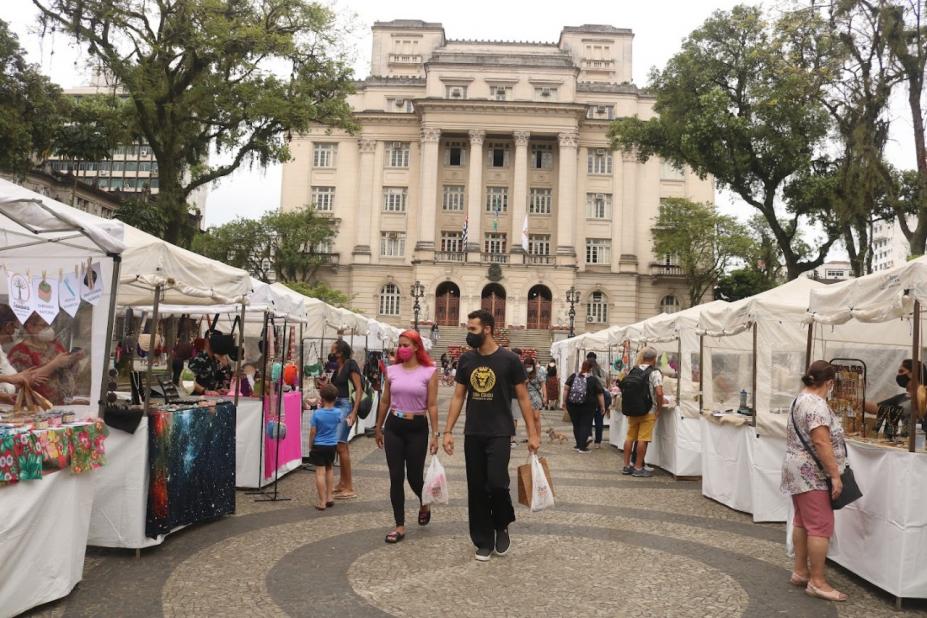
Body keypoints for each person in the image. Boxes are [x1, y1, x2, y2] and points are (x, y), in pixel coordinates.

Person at [443, 310, 540, 562]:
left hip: (499, 431)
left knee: (497, 483)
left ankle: (502, 524)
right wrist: (448, 431)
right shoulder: (466, 360)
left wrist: (532, 433)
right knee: (476, 487)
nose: (469, 333)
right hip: (474, 431)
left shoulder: (509, 360)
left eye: (473, 329)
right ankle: (482, 539)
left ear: (487, 329)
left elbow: (523, 398)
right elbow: (457, 397)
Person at [780, 360, 848, 602]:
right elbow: (821, 442)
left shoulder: (800, 398)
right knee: (820, 526)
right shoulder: (817, 405)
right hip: (813, 472)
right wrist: (835, 475)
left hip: (796, 468)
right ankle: (817, 581)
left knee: (802, 521)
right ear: (829, 383)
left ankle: (801, 570)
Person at [374, 330, 439, 543]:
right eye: (399, 345)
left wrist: (436, 434)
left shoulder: (429, 372)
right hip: (394, 425)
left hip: (417, 427)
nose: (401, 349)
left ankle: (424, 501)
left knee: (414, 477)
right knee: (395, 477)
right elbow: (385, 400)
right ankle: (399, 525)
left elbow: (432, 405)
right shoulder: (392, 370)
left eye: (405, 345)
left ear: (416, 347)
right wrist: (378, 426)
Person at [8, 314, 83, 404]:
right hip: (37, 406)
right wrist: (54, 364)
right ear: (30, 327)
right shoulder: (19, 352)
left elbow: (67, 368)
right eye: (44, 325)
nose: (49, 329)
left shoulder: (56, 345)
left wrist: (74, 358)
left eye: (50, 325)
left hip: (63, 404)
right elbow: (21, 381)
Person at [620, 347, 664, 477]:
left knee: (629, 437)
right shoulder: (655, 373)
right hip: (648, 410)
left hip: (632, 409)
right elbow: (659, 392)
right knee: (642, 439)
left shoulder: (634, 370)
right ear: (654, 359)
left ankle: (626, 466)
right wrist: (659, 408)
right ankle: (638, 467)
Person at [329, 339, 362, 499]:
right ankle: (343, 483)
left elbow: (359, 388)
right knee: (342, 446)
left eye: (333, 349)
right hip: (337, 406)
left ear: (340, 352)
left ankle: (349, 487)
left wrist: (354, 411)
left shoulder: (351, 364)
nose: (331, 352)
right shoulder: (338, 367)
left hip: (346, 406)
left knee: (341, 445)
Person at [308, 384, 341, 510]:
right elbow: (338, 422)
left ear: (321, 398)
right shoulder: (338, 412)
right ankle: (329, 497)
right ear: (335, 398)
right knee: (329, 469)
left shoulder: (317, 413)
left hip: (319, 445)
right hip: (332, 445)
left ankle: (322, 502)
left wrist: (311, 444)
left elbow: (312, 431)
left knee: (319, 473)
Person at [564, 360, 606, 453]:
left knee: (576, 425)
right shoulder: (593, 379)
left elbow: (566, 389)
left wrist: (564, 402)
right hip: (588, 405)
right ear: (591, 368)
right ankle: (582, 447)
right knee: (585, 425)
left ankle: (578, 444)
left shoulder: (573, 376)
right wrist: (602, 406)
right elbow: (600, 394)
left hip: (573, 404)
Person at [187, 331, 233, 395]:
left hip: (210, 399)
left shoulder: (214, 360)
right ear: (207, 341)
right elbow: (188, 380)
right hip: (197, 399)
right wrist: (204, 391)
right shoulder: (199, 359)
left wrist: (217, 390)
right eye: (216, 340)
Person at [586, 352, 610, 448]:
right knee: (599, 420)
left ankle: (589, 436)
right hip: (602, 396)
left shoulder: (586, 371)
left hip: (590, 397)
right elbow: (605, 383)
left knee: (588, 419)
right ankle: (598, 442)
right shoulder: (601, 370)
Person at [523, 356, 545, 436]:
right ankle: (530, 436)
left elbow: (543, 384)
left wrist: (545, 396)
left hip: (536, 396)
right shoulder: (522, 373)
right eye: (526, 366)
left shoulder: (538, 372)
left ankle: (538, 436)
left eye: (529, 366)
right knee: (528, 418)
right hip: (525, 396)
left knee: (536, 417)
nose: (528, 368)